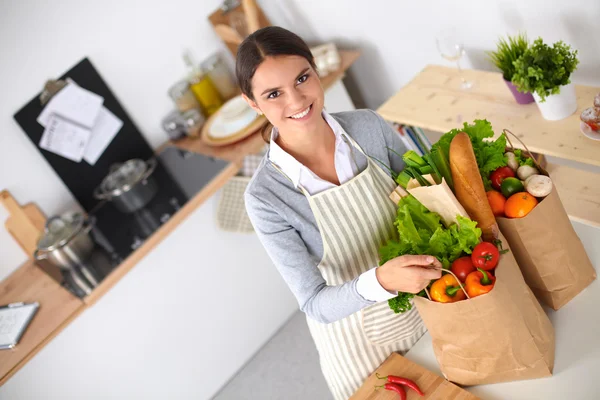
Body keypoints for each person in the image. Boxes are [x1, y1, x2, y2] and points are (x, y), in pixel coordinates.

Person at [237, 26, 441, 399]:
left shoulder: (369, 126)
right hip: (361, 348)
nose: (296, 100)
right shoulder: (266, 197)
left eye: (302, 78)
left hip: (430, 303)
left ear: (316, 70)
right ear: (253, 103)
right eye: (273, 94)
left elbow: (428, 194)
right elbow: (315, 303)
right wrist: (381, 280)